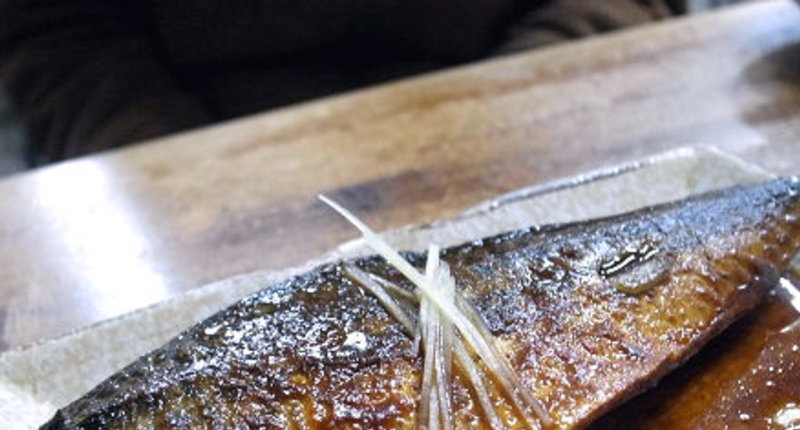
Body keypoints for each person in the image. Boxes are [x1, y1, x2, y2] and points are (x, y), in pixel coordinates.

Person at [0, 1, 683, 166]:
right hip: (192, 151)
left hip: (517, 122)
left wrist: (507, 108)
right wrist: (190, 176)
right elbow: (60, 37)